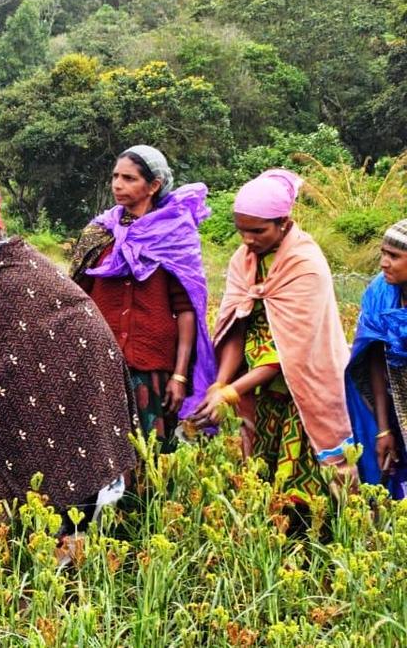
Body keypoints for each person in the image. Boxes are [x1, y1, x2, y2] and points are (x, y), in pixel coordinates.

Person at [0, 177, 138, 534]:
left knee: (66, 450)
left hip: (84, 367)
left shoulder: (11, 279)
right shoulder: (2, 266)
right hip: (71, 367)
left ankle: (71, 543)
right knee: (49, 447)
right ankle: (57, 534)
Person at [191, 169, 354, 508]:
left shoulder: (305, 263)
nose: (248, 239)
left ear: (283, 222)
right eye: (241, 230)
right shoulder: (243, 259)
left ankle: (313, 540)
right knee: (258, 470)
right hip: (258, 384)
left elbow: (290, 351)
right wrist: (220, 385)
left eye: (257, 231)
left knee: (304, 478)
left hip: (302, 383)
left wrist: (233, 391)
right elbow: (236, 326)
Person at [70, 145, 216, 451]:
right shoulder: (99, 233)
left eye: (129, 178)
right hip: (102, 361)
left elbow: (186, 308)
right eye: (115, 176)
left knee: (149, 452)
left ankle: (143, 502)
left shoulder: (173, 234)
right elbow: (76, 298)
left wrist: (179, 374)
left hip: (151, 365)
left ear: (153, 185)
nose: (117, 184)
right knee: (100, 449)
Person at [345, 219, 407, 499]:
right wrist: (382, 428)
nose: (384, 263)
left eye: (394, 256)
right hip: (395, 400)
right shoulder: (380, 293)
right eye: (383, 253)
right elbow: (374, 360)